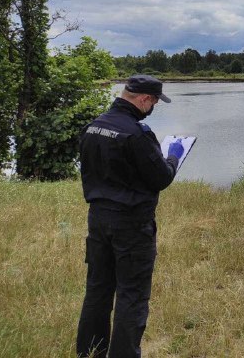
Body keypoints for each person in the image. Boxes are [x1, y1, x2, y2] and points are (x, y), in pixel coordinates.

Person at [77, 74, 184, 358]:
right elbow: (161, 178)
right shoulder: (137, 134)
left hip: (98, 219)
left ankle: (91, 352)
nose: (154, 108)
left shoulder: (93, 126)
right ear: (144, 99)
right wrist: (173, 156)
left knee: (98, 289)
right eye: (155, 103)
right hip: (131, 226)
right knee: (132, 294)